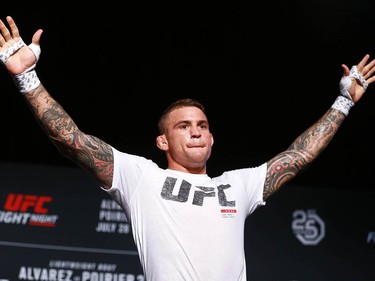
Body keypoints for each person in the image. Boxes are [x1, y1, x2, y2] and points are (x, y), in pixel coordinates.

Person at [1, 15, 374, 281]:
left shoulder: (237, 186)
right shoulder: (141, 177)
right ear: (163, 141)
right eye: (183, 126)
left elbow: (299, 156)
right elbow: (71, 140)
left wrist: (344, 103)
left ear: (212, 140)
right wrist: (27, 78)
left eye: (203, 126)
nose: (196, 133)